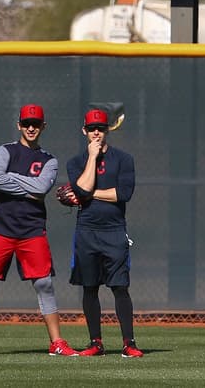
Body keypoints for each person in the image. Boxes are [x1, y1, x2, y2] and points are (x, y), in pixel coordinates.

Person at [0, 104, 77, 357]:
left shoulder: (49, 160)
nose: (31, 127)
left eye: (36, 124)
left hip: (32, 228)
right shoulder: (5, 150)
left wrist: (11, 180)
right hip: (1, 225)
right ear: (19, 125)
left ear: (43, 127)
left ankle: (57, 342)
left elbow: (40, 189)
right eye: (27, 123)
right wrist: (26, 187)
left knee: (44, 283)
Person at [66, 107, 143, 358]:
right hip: (87, 231)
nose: (96, 133)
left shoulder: (123, 159)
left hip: (114, 231)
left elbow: (122, 194)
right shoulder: (76, 162)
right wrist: (91, 157)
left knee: (120, 287)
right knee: (90, 287)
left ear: (108, 130)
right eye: (91, 129)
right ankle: (95, 343)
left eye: (100, 128)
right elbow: (84, 185)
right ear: (84, 131)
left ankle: (129, 343)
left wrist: (85, 195)